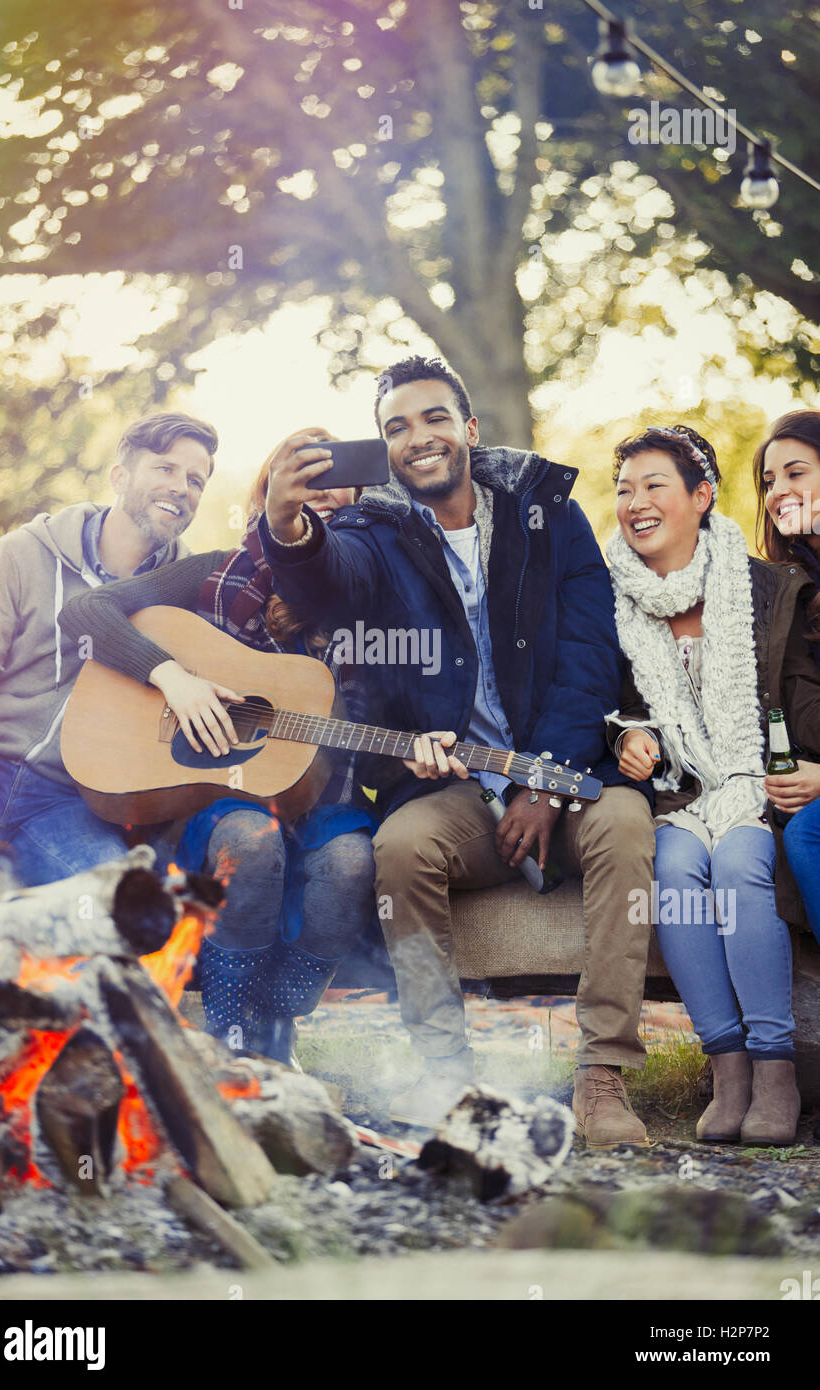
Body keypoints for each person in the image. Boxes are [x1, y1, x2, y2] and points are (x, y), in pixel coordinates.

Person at [260, 354, 656, 1142]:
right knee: (402, 847)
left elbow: (588, 658)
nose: (419, 438)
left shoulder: (547, 511)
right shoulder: (372, 530)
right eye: (396, 428)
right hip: (455, 789)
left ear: (469, 429)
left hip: (565, 773)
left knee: (625, 824)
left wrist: (545, 784)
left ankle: (602, 1077)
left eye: (435, 417)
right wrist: (286, 527)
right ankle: (445, 1074)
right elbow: (326, 584)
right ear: (384, 447)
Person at [59, 434, 377, 1066]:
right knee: (250, 843)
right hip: (222, 792)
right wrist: (170, 675)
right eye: (307, 494)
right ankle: (232, 1035)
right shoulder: (213, 572)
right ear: (272, 497)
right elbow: (87, 610)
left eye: (340, 509)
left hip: (326, 800)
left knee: (351, 865)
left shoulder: (375, 595)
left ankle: (277, 1018)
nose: (321, 514)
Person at [608, 423, 820, 1146]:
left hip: (753, 783)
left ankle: (775, 1069)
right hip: (675, 796)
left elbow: (796, 702)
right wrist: (626, 736)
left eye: (653, 485)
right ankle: (727, 1067)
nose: (635, 502)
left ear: (701, 496)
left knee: (738, 867)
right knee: (671, 874)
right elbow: (605, 701)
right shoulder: (611, 597)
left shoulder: (765, 586)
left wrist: (792, 771)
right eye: (624, 489)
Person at [0, 410, 218, 943]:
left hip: (64, 802)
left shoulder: (190, 595)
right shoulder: (24, 553)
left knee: (118, 913)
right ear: (120, 477)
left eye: (196, 479)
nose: (181, 488)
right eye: (165, 468)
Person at [753, 410, 820, 944]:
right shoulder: (788, 588)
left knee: (808, 836)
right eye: (770, 481)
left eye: (795, 473)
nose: (778, 492)